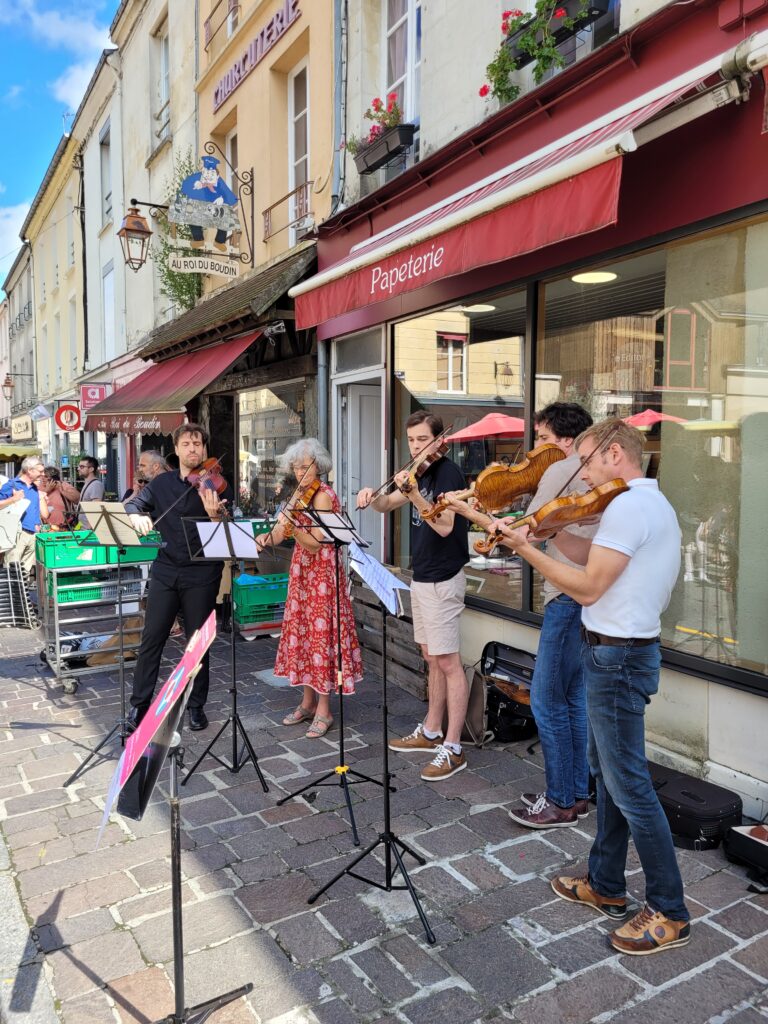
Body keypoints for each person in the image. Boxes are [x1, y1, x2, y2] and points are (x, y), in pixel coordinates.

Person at [493, 418, 690, 956]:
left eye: (584, 462)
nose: (579, 476)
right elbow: (589, 560)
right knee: (607, 775)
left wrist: (524, 549)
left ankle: (669, 910)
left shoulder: (628, 507)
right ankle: (606, 884)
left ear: (613, 454)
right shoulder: (645, 504)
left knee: (629, 784)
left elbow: (586, 586)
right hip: (613, 651)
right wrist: (547, 532)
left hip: (619, 657)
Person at [356, 411, 470, 782]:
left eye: (423, 440)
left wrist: (416, 495)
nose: (417, 447)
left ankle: (453, 747)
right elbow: (386, 505)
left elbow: (445, 525)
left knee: (448, 662)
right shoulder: (419, 474)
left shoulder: (448, 474)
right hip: (422, 577)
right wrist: (371, 497)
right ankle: (431, 730)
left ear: (439, 440)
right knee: (430, 656)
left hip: (443, 577)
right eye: (412, 441)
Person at [125, 423, 231, 732]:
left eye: (198, 444)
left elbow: (227, 528)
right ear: (177, 448)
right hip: (166, 570)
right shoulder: (161, 484)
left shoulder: (216, 484)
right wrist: (135, 515)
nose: (193, 449)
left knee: (197, 643)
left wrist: (215, 515)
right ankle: (139, 706)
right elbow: (134, 502)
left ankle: (196, 706)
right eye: (187, 444)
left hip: (202, 572)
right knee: (151, 639)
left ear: (205, 450)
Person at [255, 439, 363, 738]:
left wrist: (294, 527)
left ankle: (325, 710)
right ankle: (307, 701)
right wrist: (268, 538)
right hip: (303, 573)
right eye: (296, 466)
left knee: (321, 639)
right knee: (302, 635)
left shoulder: (323, 496)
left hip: (322, 577)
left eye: (306, 466)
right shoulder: (299, 495)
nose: (300, 472)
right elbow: (279, 530)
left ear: (319, 467)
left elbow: (315, 544)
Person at [0, 457, 49, 576]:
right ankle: (12, 595)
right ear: (29, 470)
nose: (43, 474)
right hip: (17, 534)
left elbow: (36, 511)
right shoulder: (11, 484)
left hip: (33, 534)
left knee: (25, 573)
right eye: (40, 471)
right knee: (13, 572)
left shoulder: (34, 488)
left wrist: (37, 524)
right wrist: (13, 499)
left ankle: (23, 595)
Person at [77, 455, 105, 526]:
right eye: (79, 466)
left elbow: (96, 509)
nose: (78, 469)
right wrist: (77, 527)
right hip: (81, 527)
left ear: (91, 469)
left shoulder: (96, 485)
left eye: (82, 467)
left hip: (88, 531)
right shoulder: (88, 484)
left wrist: (90, 529)